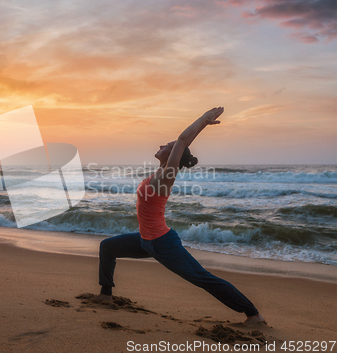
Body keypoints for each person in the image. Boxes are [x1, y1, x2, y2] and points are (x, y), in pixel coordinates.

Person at [94, 107, 265, 325]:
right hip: (145, 240)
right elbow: (182, 143)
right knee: (107, 247)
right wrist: (196, 130)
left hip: (162, 243)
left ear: (174, 156)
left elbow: (182, 140)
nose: (161, 146)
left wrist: (203, 120)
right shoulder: (158, 172)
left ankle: (253, 314)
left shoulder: (167, 176)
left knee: (202, 278)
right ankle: (106, 295)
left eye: (166, 146)